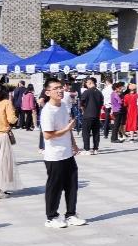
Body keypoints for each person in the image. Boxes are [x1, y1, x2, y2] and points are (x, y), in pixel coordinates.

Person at [39, 78, 86, 229]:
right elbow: (47, 135)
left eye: (61, 87)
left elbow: (68, 127)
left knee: (72, 185)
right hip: (54, 156)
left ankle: (71, 214)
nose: (60, 90)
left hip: (67, 153)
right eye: (55, 88)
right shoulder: (47, 111)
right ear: (48, 92)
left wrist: (74, 144)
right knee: (55, 187)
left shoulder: (64, 105)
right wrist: (67, 129)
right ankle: (51, 217)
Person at [78, 77, 104, 155]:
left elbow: (81, 103)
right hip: (96, 114)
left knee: (86, 133)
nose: (86, 84)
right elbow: (101, 103)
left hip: (88, 114)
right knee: (96, 133)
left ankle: (87, 149)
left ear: (89, 82)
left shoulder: (87, 92)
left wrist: (83, 111)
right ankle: (95, 149)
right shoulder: (99, 92)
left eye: (86, 83)